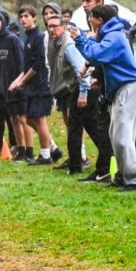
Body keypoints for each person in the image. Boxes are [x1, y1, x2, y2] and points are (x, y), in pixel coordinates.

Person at [72, 5, 136, 192]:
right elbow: (103, 60)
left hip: (128, 88)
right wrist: (100, 78)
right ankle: (124, 176)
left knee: (123, 137)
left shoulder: (114, 36)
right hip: (121, 88)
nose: (88, 20)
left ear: (99, 19)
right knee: (116, 135)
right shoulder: (111, 35)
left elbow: (96, 53)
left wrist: (81, 39)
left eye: (91, 17)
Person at [45, 15, 102, 177]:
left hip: (85, 89)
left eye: (55, 26)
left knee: (81, 128)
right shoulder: (57, 43)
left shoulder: (68, 45)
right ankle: (78, 162)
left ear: (64, 27)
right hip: (78, 89)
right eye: (49, 27)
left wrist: (83, 94)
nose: (51, 30)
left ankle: (80, 163)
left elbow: (81, 71)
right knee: (83, 127)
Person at [10, 6, 63, 164]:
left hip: (41, 85)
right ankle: (54, 148)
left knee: (39, 120)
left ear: (34, 18)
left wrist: (22, 81)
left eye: (26, 16)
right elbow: (27, 67)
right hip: (31, 86)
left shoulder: (39, 37)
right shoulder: (28, 38)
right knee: (29, 119)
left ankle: (46, 156)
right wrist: (18, 80)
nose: (23, 19)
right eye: (21, 17)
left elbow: (38, 65)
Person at [0, 12, 33, 162]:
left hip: (18, 86)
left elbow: (23, 64)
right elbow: (1, 69)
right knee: (13, 119)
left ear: (2, 22)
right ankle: (20, 150)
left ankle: (29, 151)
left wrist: (20, 82)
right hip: (6, 88)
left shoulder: (13, 39)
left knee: (23, 119)